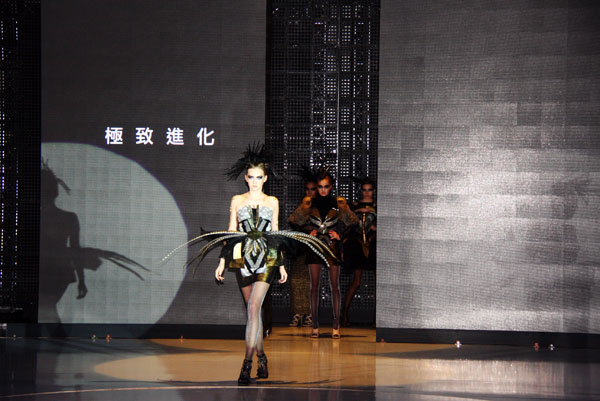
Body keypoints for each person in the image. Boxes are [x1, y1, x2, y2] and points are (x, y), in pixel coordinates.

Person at [174, 144, 334, 385]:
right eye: (251, 177)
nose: (255, 181)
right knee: (253, 312)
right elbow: (231, 232)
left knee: (253, 308)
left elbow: (276, 233)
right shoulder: (237, 200)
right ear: (246, 178)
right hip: (242, 259)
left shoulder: (272, 201)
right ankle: (261, 357)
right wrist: (222, 261)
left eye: (259, 177)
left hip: (268, 258)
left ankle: (246, 363)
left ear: (265, 178)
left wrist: (281, 265)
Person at [288, 167, 358, 339]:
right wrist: (307, 233)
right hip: (315, 246)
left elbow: (354, 222)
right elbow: (293, 221)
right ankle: (315, 326)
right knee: (314, 286)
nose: (323, 190)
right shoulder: (309, 203)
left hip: (332, 247)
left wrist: (341, 235)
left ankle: (336, 325)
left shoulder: (338, 203)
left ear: (331, 186)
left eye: (326, 186)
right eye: (320, 187)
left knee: (334, 286)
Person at [342, 177, 376, 326]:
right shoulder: (353, 206)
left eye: (369, 190)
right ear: (360, 191)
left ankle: (378, 318)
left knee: (378, 283)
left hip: (374, 243)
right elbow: (348, 225)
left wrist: (375, 227)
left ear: (374, 191)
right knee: (356, 282)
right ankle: (344, 314)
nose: (367, 193)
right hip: (357, 244)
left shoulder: (378, 206)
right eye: (364, 190)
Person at [287, 167, 318, 328]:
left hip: (318, 246)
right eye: (307, 189)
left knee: (312, 281)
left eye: (313, 189)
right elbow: (293, 221)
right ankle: (297, 313)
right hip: (301, 247)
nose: (310, 192)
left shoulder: (322, 205)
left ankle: (310, 315)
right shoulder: (303, 205)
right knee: (296, 279)